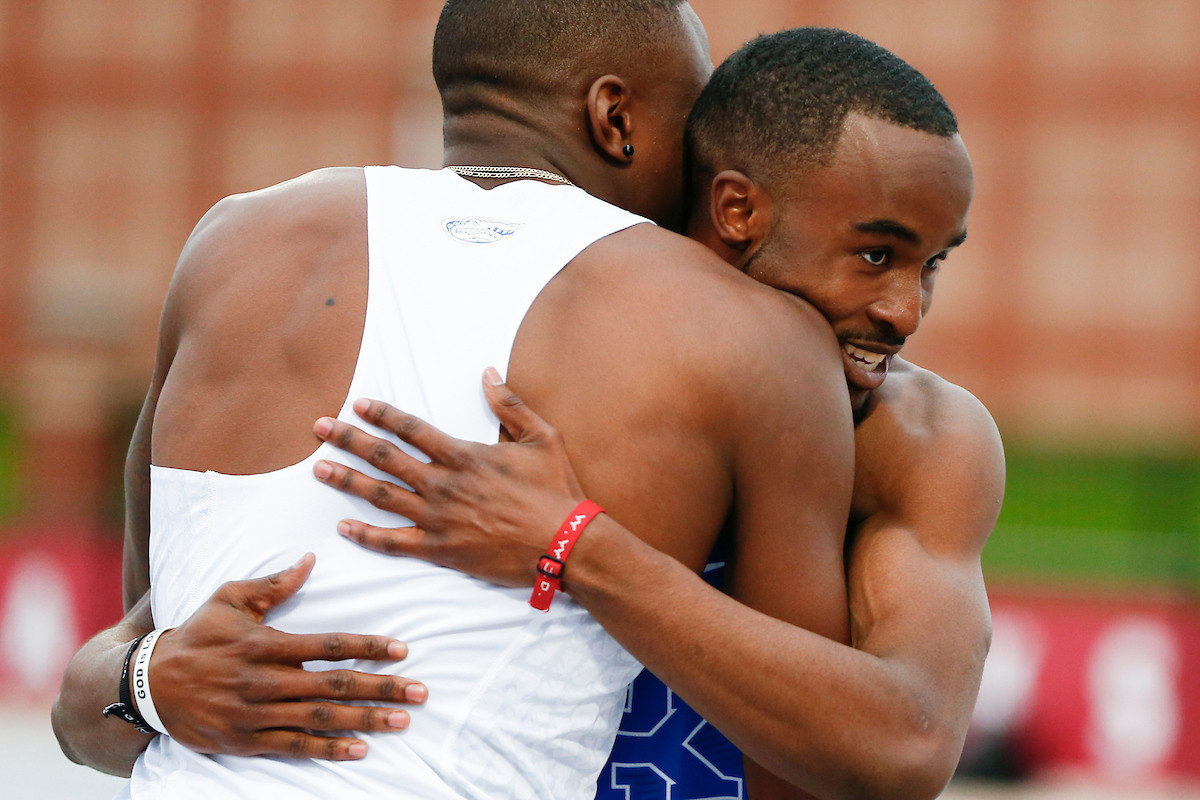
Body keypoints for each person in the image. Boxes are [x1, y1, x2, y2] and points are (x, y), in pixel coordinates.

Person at [53, 3, 859, 799]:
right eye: (691, 126)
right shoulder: (746, 331)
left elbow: (133, 680)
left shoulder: (232, 246)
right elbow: (823, 757)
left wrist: (147, 684)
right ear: (615, 116)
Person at [310, 28, 1000, 800]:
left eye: (932, 264)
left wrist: (577, 544)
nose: (907, 313)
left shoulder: (920, 437)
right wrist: (147, 677)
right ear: (737, 208)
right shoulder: (518, 346)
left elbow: (908, 746)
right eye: (877, 255)